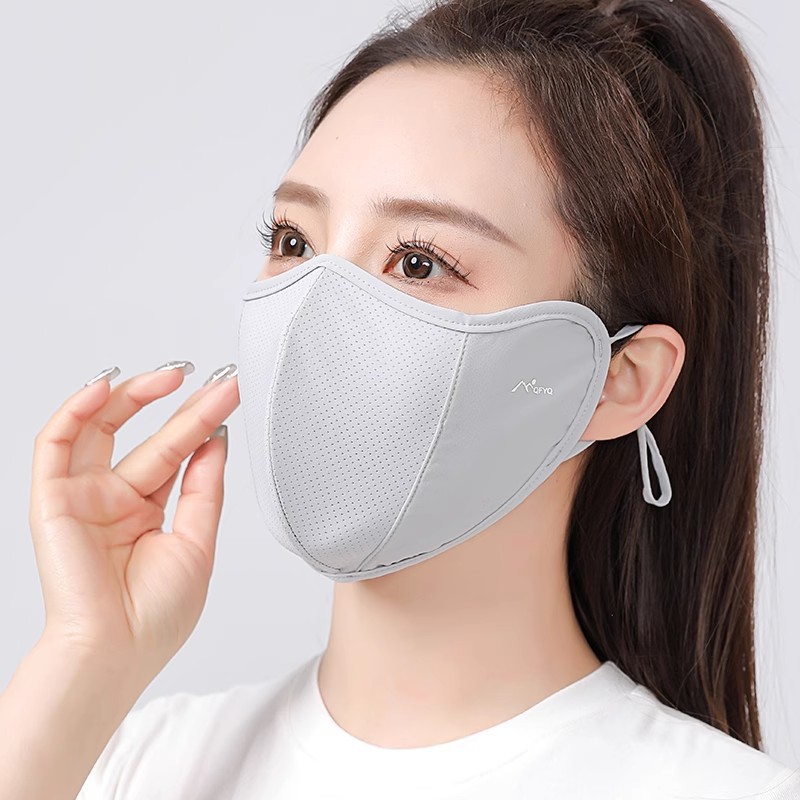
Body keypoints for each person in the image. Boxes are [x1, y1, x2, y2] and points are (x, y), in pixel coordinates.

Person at [1, 0, 798, 797]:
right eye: (294, 242)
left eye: (418, 261)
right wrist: (83, 656)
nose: (311, 314)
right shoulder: (126, 762)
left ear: (617, 380)